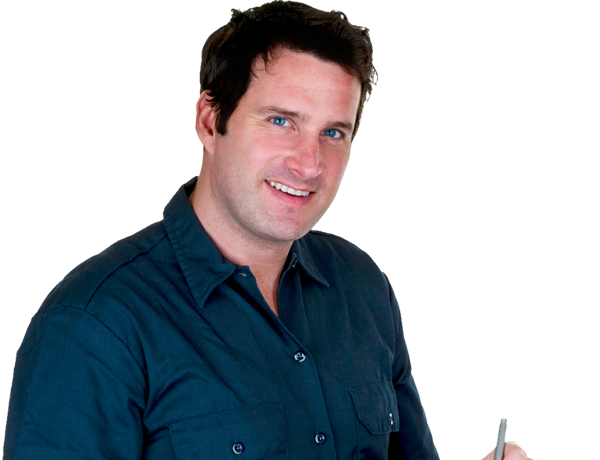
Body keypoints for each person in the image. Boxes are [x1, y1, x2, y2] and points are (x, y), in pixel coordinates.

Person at [4, 1, 524, 459]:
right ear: (210, 120)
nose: (309, 163)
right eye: (281, 121)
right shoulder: (94, 323)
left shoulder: (362, 287)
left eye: (333, 132)